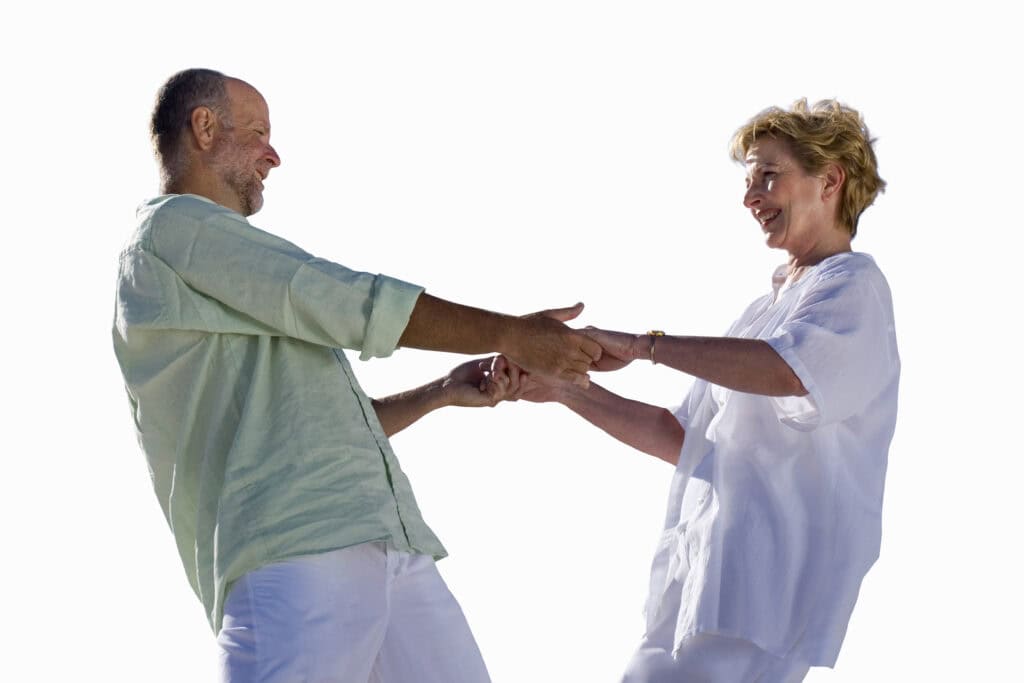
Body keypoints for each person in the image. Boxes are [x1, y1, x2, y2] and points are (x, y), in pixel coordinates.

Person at [111, 68, 602, 683]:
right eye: (259, 133)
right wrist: (510, 333)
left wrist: (441, 393)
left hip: (391, 547)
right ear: (205, 128)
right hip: (293, 552)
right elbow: (338, 297)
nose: (273, 155)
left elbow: (321, 428)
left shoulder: (227, 272)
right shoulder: (172, 232)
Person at [502, 99, 899, 681]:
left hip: (766, 592)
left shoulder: (854, 286)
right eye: (749, 181)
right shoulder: (763, 310)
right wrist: (565, 388)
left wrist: (643, 346)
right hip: (700, 587)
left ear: (830, 180)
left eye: (769, 176)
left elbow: (791, 371)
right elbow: (682, 437)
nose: (751, 198)